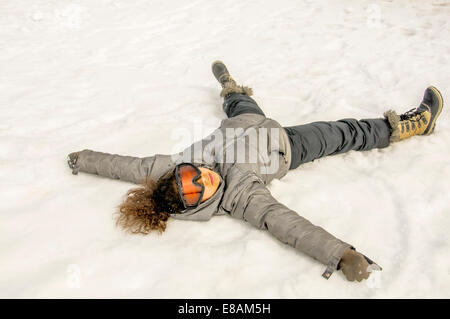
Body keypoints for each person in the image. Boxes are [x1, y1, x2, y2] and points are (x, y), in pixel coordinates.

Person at [67, 61, 443, 282]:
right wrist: (340, 254)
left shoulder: (169, 166)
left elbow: (125, 166)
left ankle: (229, 87)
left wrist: (84, 158)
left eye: (191, 174)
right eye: (198, 190)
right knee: (345, 133)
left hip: (245, 120)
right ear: (196, 206)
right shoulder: (240, 196)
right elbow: (284, 223)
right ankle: (411, 125)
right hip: (286, 144)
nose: (203, 178)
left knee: (241, 103)